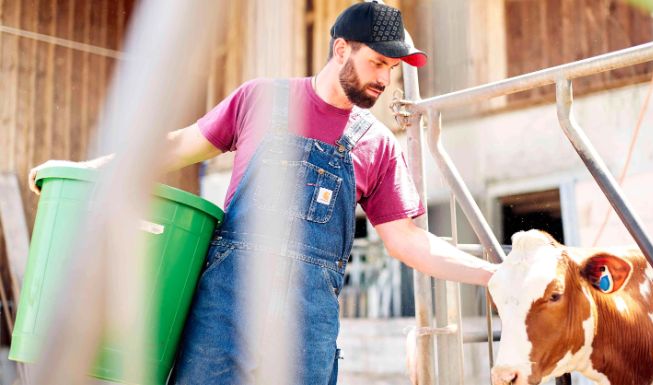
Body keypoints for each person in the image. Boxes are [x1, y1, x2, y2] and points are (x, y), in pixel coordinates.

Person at [29, 2, 497, 384]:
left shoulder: (377, 145)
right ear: (340, 50)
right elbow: (172, 147)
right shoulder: (261, 99)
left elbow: (408, 240)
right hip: (224, 311)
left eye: (392, 69)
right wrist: (88, 171)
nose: (384, 79)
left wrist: (492, 275)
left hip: (306, 327)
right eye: (377, 62)